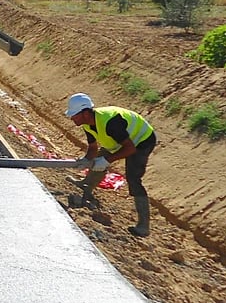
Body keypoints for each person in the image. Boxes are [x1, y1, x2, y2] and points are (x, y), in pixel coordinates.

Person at [65, 93, 158, 237]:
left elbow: (130, 149)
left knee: (133, 178)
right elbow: (93, 148)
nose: (72, 118)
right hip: (119, 139)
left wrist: (107, 161)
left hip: (141, 140)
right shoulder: (87, 123)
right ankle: (86, 185)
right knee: (98, 158)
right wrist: (86, 160)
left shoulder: (110, 122)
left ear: (85, 113)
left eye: (74, 115)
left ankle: (143, 226)